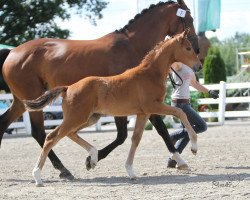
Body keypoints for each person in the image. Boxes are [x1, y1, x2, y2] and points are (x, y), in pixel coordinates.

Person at [167, 62, 219, 168]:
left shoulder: (189, 69)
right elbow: (173, 64)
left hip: (185, 103)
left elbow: (195, 84)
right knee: (202, 126)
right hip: (179, 103)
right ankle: (173, 136)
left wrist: (209, 91)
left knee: (187, 134)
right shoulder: (179, 65)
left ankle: (172, 161)